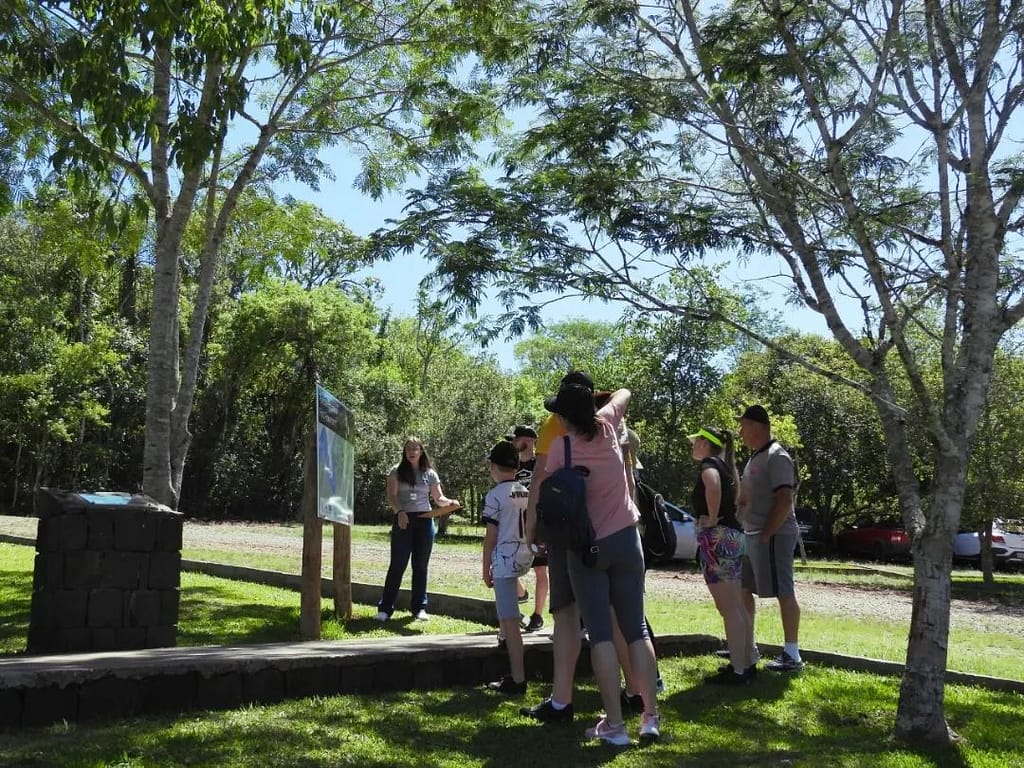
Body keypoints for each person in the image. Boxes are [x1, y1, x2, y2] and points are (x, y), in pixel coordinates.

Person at [541, 380, 661, 745]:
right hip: (627, 541)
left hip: (588, 549)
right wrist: (602, 405)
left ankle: (615, 726)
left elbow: (549, 491)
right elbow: (626, 392)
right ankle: (650, 718)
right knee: (637, 630)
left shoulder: (562, 448)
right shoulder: (608, 425)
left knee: (602, 636)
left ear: (564, 418)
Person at [736, 405, 803, 672]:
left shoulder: (777, 456)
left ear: (758, 426)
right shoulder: (756, 457)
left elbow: (785, 499)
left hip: (774, 535)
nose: (740, 431)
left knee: (783, 591)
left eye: (744, 425)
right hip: (750, 535)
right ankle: (746, 645)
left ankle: (792, 654)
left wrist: (767, 533)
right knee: (743, 589)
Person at [689, 425, 755, 684]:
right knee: (736, 606)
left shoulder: (709, 465)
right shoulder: (727, 467)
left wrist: (713, 518)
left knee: (729, 608)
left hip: (717, 539)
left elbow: (712, 485)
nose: (693, 445)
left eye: (695, 441)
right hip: (733, 537)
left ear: (705, 444)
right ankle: (746, 663)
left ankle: (739, 671)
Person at [375, 438, 460, 622]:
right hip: (403, 520)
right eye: (408, 449)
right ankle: (385, 609)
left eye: (415, 449)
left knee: (420, 566)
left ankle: (419, 608)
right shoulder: (396, 471)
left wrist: (450, 503)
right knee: (398, 564)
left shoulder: (430, 474)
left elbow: (439, 498)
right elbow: (392, 496)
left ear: (421, 451)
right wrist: (399, 512)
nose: (412, 452)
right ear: (404, 452)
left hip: (425, 521)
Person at [481, 440, 534, 695]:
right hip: (525, 554)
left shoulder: (495, 496)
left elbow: (491, 536)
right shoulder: (524, 491)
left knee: (510, 620)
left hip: (504, 558)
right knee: (507, 616)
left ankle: (518, 678)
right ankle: (503, 639)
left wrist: (485, 567)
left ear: (493, 467)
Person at [507, 424, 547, 632]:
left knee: (541, 569)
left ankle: (538, 615)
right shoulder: (510, 465)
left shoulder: (541, 463)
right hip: (515, 522)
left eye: (517, 439)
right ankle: (521, 594)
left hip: (538, 522)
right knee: (508, 564)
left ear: (530, 441)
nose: (514, 443)